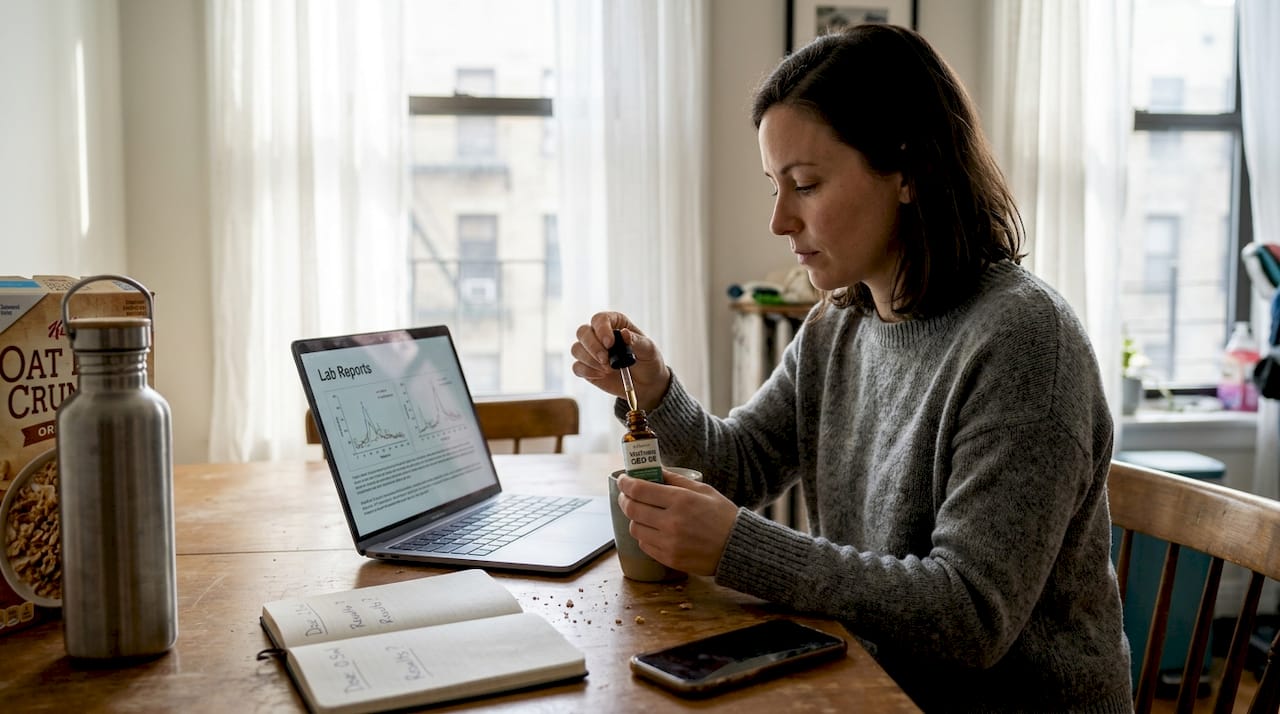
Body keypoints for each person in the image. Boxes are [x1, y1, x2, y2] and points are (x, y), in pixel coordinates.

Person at [570, 24, 1131, 712]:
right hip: (871, 679)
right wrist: (654, 390)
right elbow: (740, 466)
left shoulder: (1025, 342)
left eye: (804, 184)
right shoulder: (841, 323)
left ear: (908, 171)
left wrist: (741, 547)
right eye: (775, 185)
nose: (779, 220)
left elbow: (969, 617)